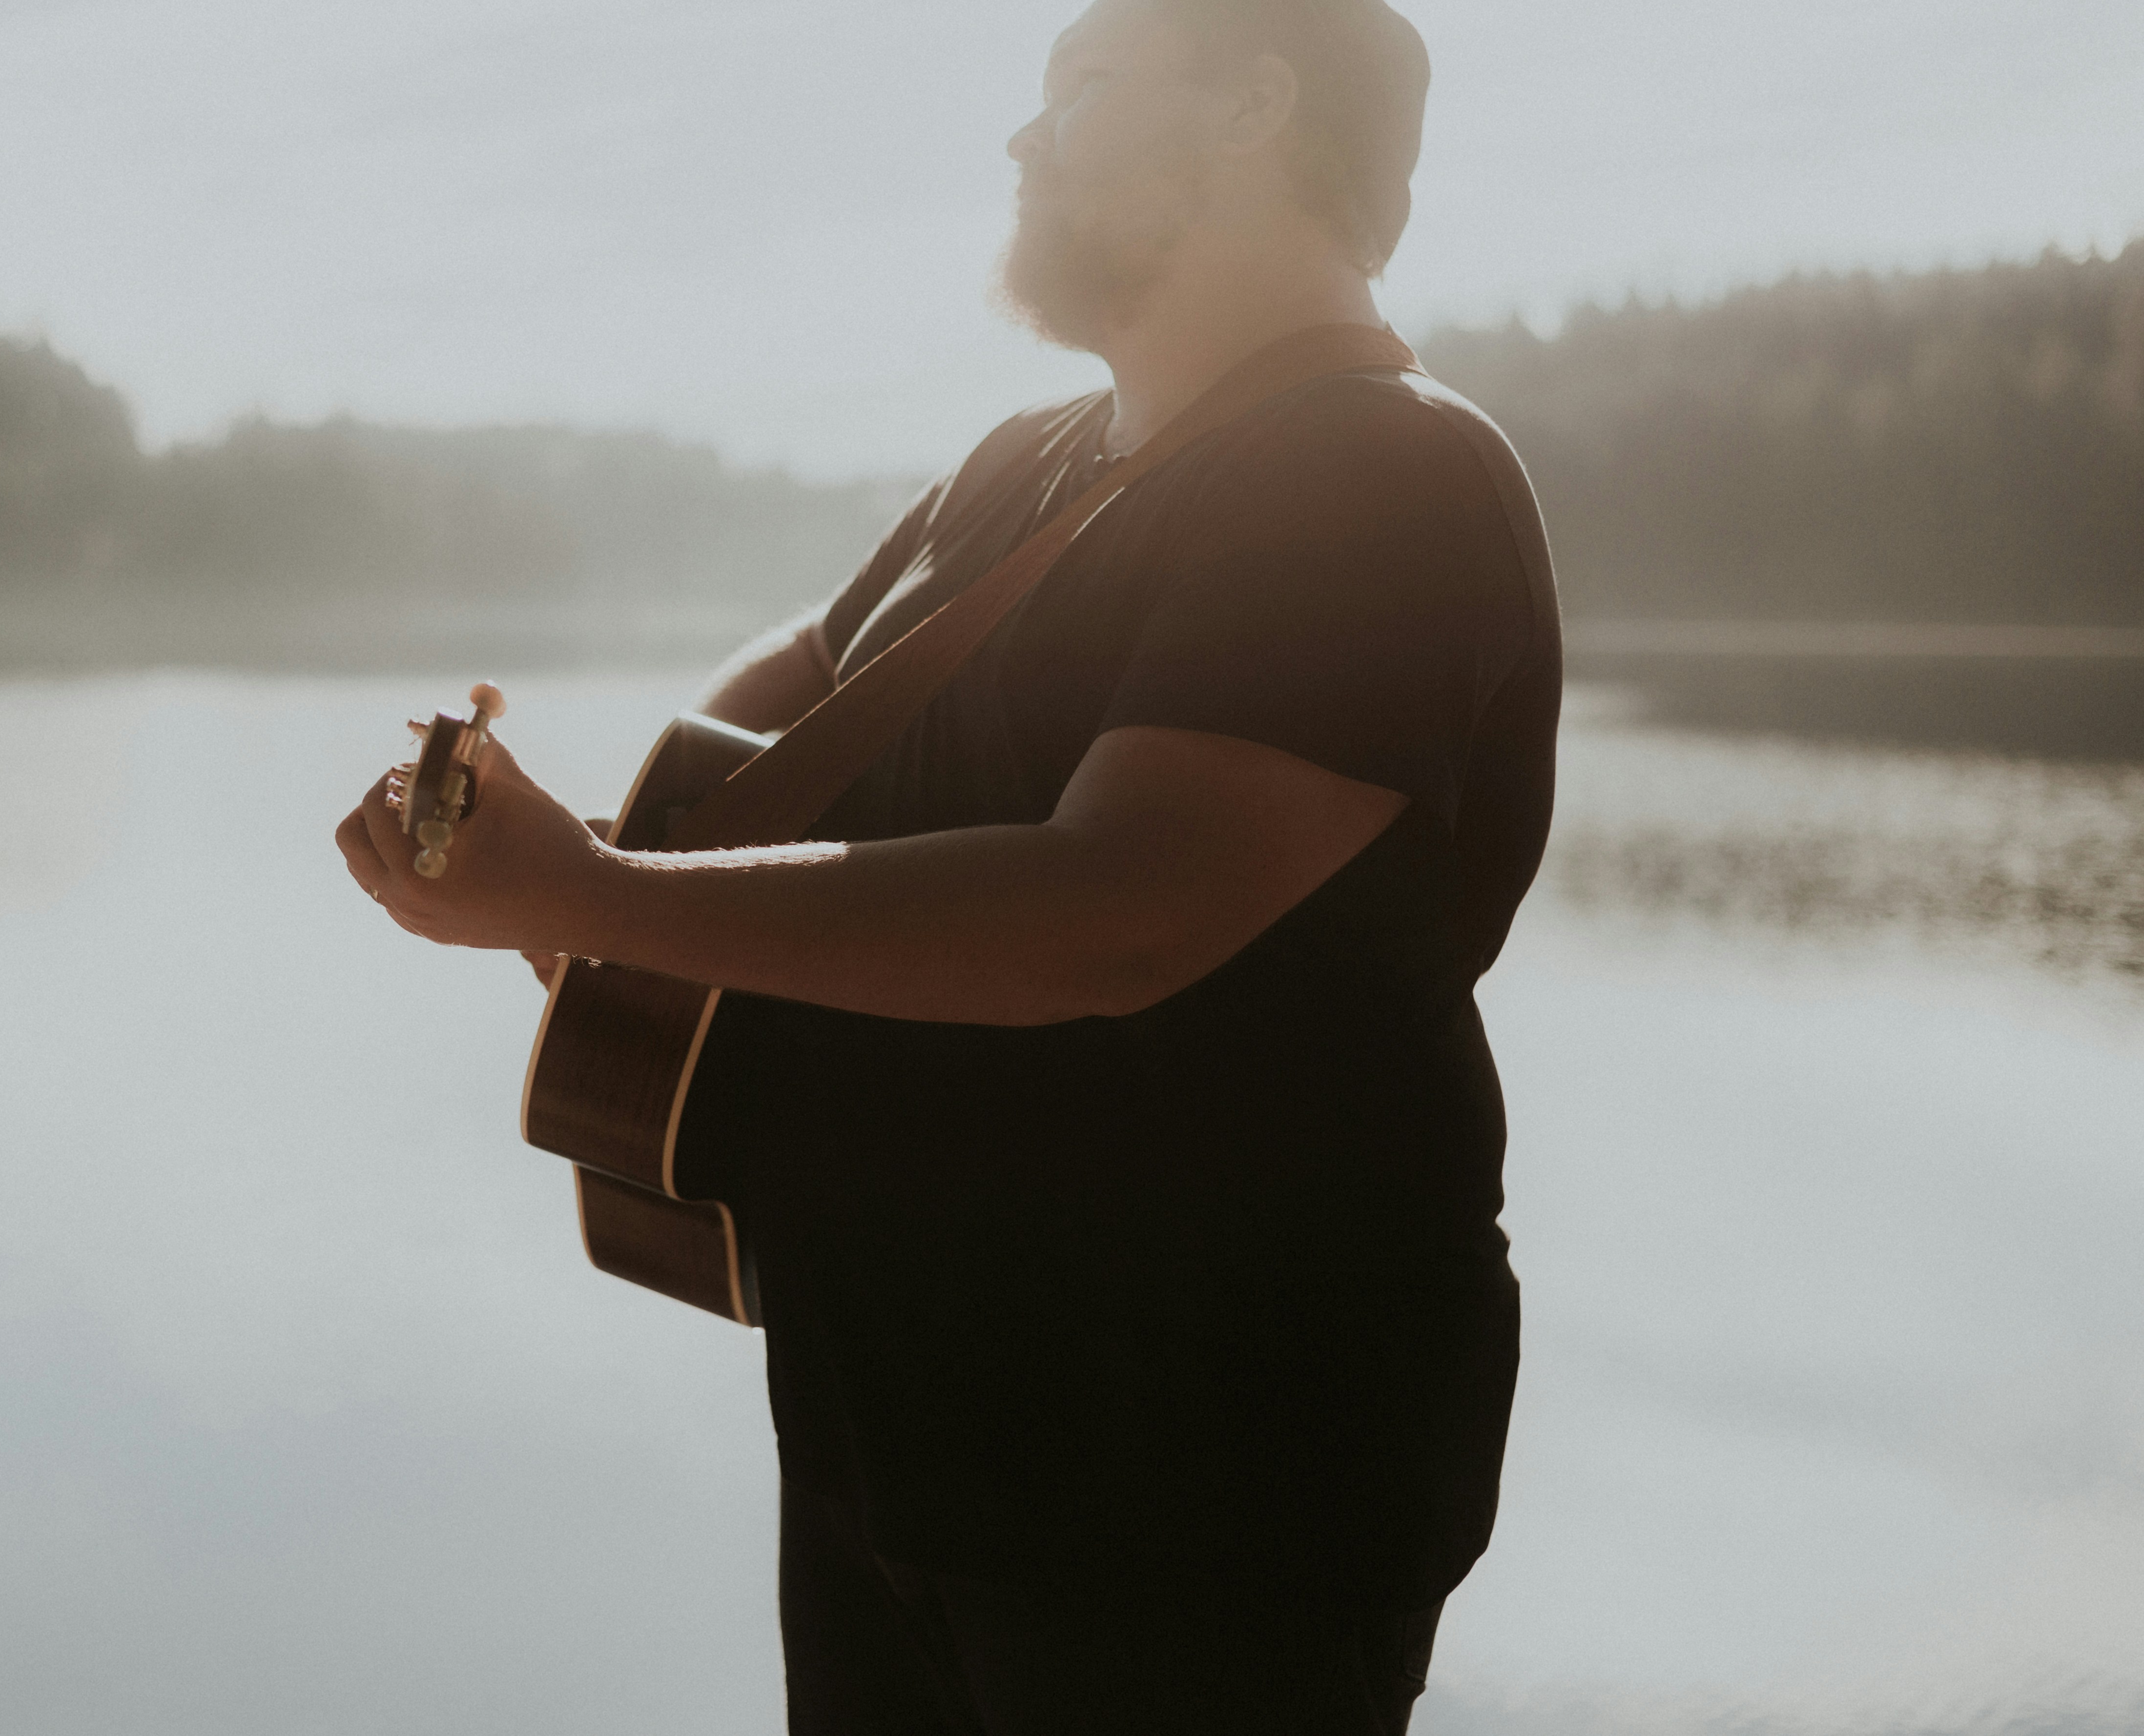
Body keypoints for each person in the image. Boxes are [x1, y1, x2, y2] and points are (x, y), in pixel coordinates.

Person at [335, 0, 1560, 1727]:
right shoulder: (1024, 465)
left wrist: (592, 901)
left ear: (1253, 107)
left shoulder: (1376, 470)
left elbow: (1110, 915)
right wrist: (545, 855)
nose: (1020, 140)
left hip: (1203, 1468)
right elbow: (770, 735)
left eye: (1080, 89)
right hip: (897, 1419)